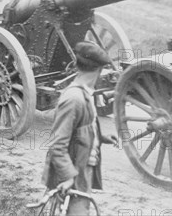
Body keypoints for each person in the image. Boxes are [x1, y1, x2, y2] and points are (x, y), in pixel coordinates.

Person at [41, 41, 119, 216]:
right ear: (98, 71)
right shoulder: (73, 99)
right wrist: (68, 177)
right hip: (71, 174)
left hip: (81, 170)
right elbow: (58, 145)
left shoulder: (85, 94)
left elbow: (83, 126)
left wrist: (100, 137)